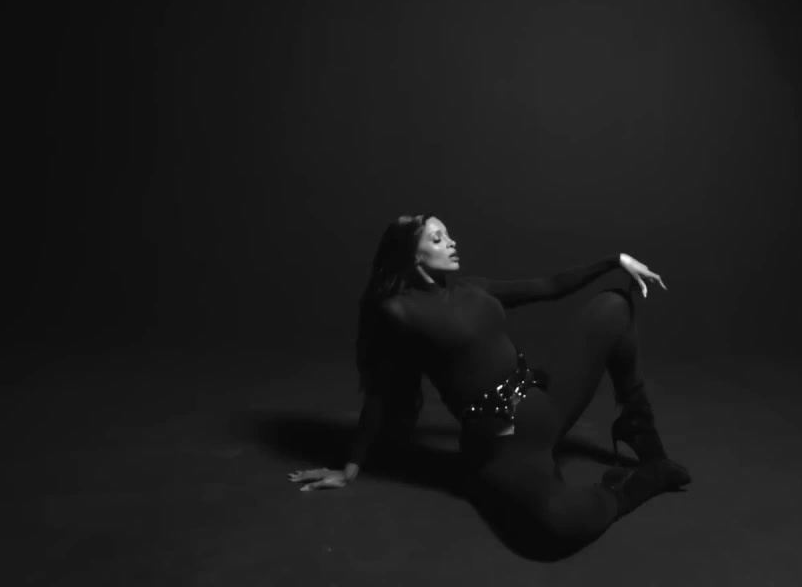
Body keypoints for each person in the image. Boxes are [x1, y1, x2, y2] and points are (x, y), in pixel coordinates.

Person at [286, 214, 690, 555]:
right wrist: (351, 467)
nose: (451, 242)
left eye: (448, 235)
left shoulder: (470, 288)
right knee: (557, 529)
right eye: (437, 239)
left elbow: (547, 287)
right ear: (412, 255)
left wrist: (615, 261)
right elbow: (380, 393)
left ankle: (637, 427)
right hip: (505, 440)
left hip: (544, 402)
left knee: (614, 306)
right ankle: (638, 483)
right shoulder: (398, 313)